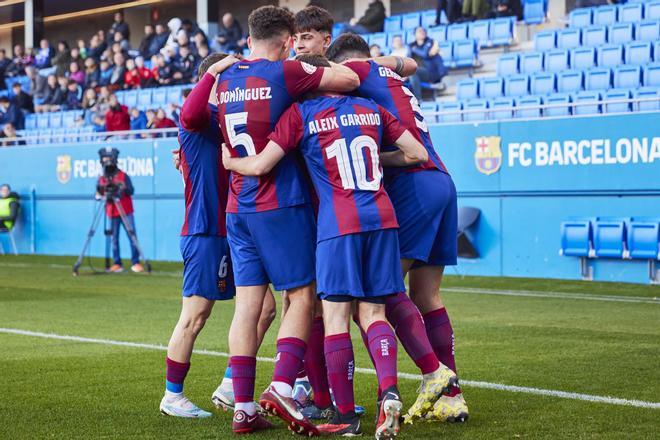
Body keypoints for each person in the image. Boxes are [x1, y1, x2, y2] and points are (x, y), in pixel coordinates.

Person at [223, 52, 430, 438]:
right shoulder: (370, 109)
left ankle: (348, 415)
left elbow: (259, 166)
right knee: (374, 313)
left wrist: (231, 163)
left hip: (338, 224)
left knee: (335, 318)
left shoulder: (301, 115)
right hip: (383, 218)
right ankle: (389, 392)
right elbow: (417, 153)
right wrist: (377, 159)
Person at [215, 5, 359, 435]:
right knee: (302, 295)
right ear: (285, 41)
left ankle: (242, 406)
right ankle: (281, 385)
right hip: (279, 202)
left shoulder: (223, 80)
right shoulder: (285, 72)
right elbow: (349, 79)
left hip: (236, 208)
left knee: (248, 306)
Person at [328, 33, 468, 423]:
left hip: (412, 185)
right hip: (441, 180)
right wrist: (384, 60)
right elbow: (411, 63)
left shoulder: (352, 70)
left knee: (380, 293)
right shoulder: (388, 74)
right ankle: (451, 396)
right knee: (427, 295)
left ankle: (416, 381)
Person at [160, 52, 278, 420]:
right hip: (205, 231)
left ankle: (230, 384)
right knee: (195, 315)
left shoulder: (220, 122)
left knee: (266, 308)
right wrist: (213, 72)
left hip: (229, 228)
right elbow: (191, 115)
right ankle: (172, 395)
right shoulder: (198, 119)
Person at [95, 148, 143, 273]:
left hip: (125, 210)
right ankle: (117, 263)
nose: (107, 161)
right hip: (111, 211)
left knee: (132, 235)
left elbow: (131, 191)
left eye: (109, 158)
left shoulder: (123, 175)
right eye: (105, 158)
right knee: (114, 238)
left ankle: (136, 262)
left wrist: (122, 188)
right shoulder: (102, 178)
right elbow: (98, 194)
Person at [407, 27, 448, 100]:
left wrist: (415, 49)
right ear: (415, 34)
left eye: (424, 30)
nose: (422, 32)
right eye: (419, 31)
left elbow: (425, 54)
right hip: (417, 72)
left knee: (412, 72)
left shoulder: (430, 41)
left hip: (429, 72)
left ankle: (418, 99)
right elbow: (409, 59)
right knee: (406, 73)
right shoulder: (411, 45)